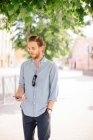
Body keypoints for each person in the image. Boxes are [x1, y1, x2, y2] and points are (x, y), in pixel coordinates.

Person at [15, 35, 59, 140]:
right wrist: (19, 94)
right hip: (26, 111)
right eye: (29, 48)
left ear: (41, 47)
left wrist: (49, 110)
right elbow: (21, 85)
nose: (30, 50)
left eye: (33, 48)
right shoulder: (24, 66)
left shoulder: (51, 66)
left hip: (43, 112)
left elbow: (54, 91)